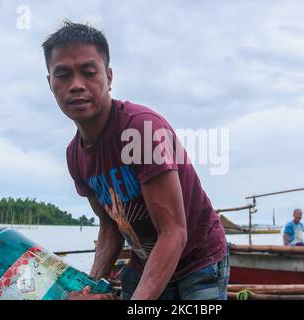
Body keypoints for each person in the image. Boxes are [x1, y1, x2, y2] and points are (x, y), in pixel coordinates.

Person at [42, 21, 229, 300]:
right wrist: (89, 287)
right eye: (63, 75)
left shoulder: (140, 130)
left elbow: (174, 232)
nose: (76, 85)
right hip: (145, 265)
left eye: (89, 72)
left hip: (197, 261)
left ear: (109, 77)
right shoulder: (75, 155)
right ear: (50, 83)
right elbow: (110, 229)